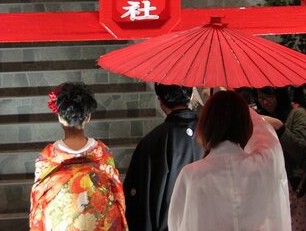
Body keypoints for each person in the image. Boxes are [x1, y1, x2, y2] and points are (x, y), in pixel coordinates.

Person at [168, 90, 291, 231]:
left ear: (206, 124)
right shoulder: (264, 165)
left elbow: (176, 224)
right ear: (246, 125)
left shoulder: (191, 175)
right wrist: (233, 103)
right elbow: (267, 138)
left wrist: (221, 103)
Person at [29, 82, 127, 230]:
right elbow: (118, 194)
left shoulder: (47, 158)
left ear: (60, 117)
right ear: (88, 117)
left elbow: (38, 203)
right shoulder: (102, 153)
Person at [124, 83, 203, 230]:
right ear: (191, 96)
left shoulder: (152, 141)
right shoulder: (213, 136)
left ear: (160, 101)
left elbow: (138, 199)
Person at [256, 87, 306, 230]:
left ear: (280, 96)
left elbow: (300, 149)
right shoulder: (261, 117)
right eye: (261, 98)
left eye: (268, 97)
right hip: (271, 189)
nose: (264, 102)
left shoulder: (298, 114)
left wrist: (280, 128)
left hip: (294, 188)